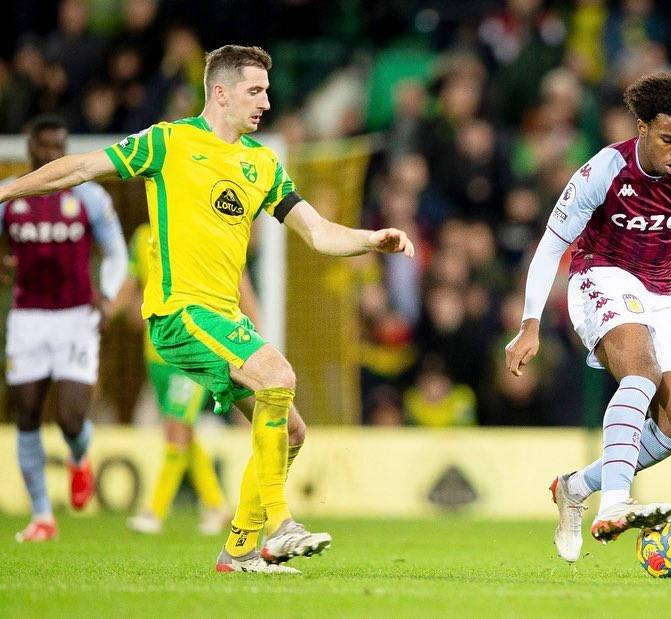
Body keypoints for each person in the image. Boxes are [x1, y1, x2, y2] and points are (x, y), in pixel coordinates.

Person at [0, 45, 415, 574]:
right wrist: (8, 189)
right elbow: (80, 167)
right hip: (181, 313)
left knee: (291, 432)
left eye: (267, 91)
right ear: (220, 93)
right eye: (255, 91)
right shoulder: (168, 142)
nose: (266, 102)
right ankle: (281, 524)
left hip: (224, 318)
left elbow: (318, 233)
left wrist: (371, 239)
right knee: (278, 375)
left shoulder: (262, 163)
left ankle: (238, 550)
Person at [505, 72, 671, 563]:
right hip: (599, 277)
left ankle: (576, 487)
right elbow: (551, 247)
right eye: (669, 139)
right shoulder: (604, 170)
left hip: (660, 296)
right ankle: (616, 502)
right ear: (642, 127)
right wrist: (530, 323)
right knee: (641, 371)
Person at [0, 114, 128, 542]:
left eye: (59, 146)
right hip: (27, 317)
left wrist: (107, 296)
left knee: (71, 419)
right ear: (30, 146)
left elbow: (116, 252)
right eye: (45, 146)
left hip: (77, 317)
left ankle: (79, 457)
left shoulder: (88, 196)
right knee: (27, 414)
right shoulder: (10, 195)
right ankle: (42, 516)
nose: (52, 154)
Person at [117, 223, 262, 536]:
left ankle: (154, 511)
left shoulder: (202, 228)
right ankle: (217, 505)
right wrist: (111, 312)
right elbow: (131, 291)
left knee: (176, 427)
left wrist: (258, 347)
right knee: (182, 429)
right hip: (156, 354)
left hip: (194, 350)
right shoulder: (141, 237)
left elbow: (242, 290)